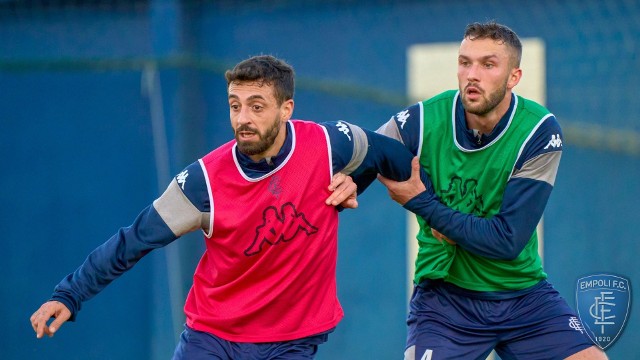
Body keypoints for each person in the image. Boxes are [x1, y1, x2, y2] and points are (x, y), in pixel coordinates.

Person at [30, 55, 419, 359]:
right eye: (235, 106)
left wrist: (354, 186)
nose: (243, 119)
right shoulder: (202, 183)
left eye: (256, 106)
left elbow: (393, 156)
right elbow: (132, 242)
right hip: (213, 338)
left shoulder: (330, 142)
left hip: (293, 339)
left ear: (287, 109)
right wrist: (69, 295)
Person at [372, 22, 608, 359]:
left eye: (488, 64)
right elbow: (368, 150)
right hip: (446, 300)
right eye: (464, 62)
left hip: (523, 295)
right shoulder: (425, 119)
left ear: (514, 76)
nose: (472, 74)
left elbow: (506, 241)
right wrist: (348, 179)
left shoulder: (538, 131)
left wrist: (423, 203)